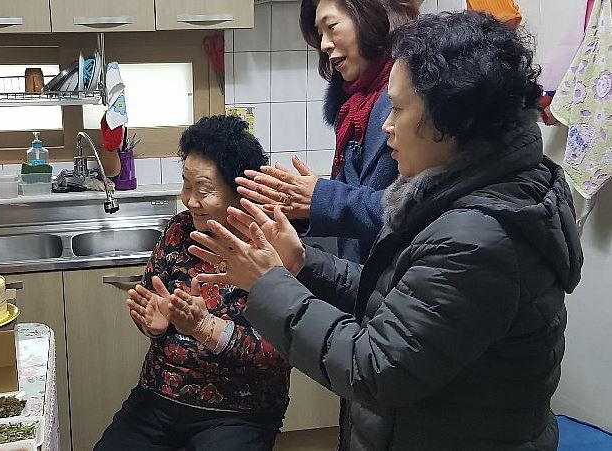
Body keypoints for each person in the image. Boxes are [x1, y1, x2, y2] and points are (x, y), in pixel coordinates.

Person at [184, 12, 584, 450]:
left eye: (396, 108)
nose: (386, 126)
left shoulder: (479, 237)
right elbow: (395, 299)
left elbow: (372, 368)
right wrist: (302, 263)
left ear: (448, 118)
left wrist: (269, 284)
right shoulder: (463, 197)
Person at [94, 115, 291, 451]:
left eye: (204, 190)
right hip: (159, 397)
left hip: (239, 410)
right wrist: (155, 326)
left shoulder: (269, 244)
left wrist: (206, 327)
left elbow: (282, 349)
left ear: (241, 190)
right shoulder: (178, 231)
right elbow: (153, 305)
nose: (189, 200)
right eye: (186, 185)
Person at [236, 0, 418, 262]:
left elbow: (415, 207)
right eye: (320, 33)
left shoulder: (413, 96)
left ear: (369, 16)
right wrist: (300, 208)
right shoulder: (353, 106)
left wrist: (321, 198)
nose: (323, 44)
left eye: (331, 26)